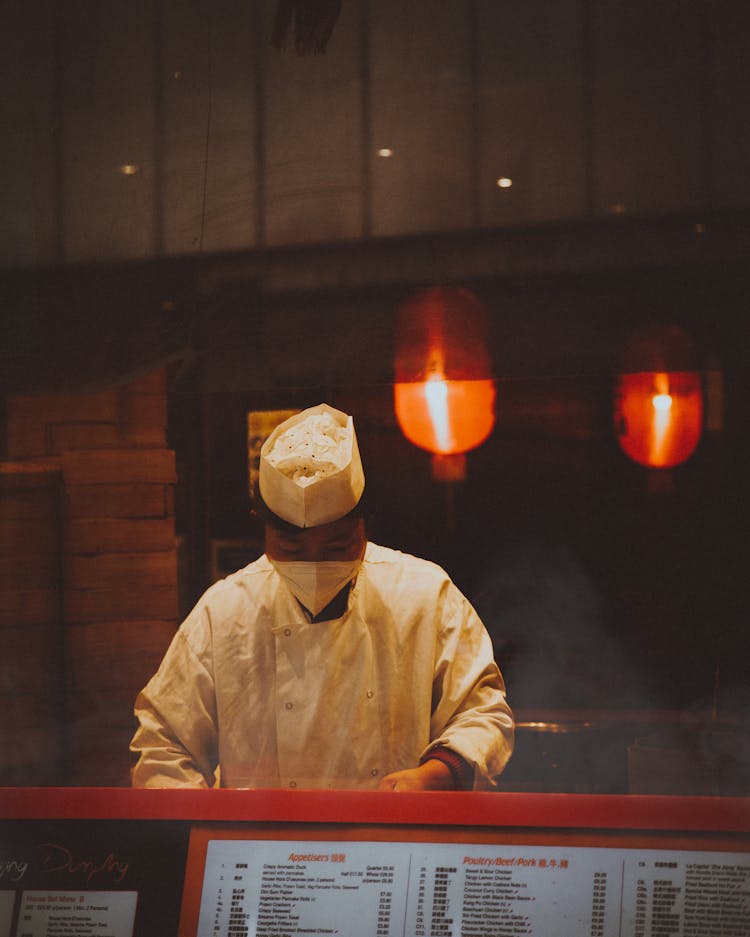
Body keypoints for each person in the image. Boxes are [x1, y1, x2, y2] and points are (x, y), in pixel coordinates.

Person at [130, 403, 513, 790]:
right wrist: (209, 831)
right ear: (263, 532)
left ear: (363, 526)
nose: (314, 567)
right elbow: (164, 744)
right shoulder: (226, 610)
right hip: (260, 846)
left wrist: (439, 773)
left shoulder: (424, 594)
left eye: (336, 548)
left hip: (393, 841)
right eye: (293, 551)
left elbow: (481, 712)